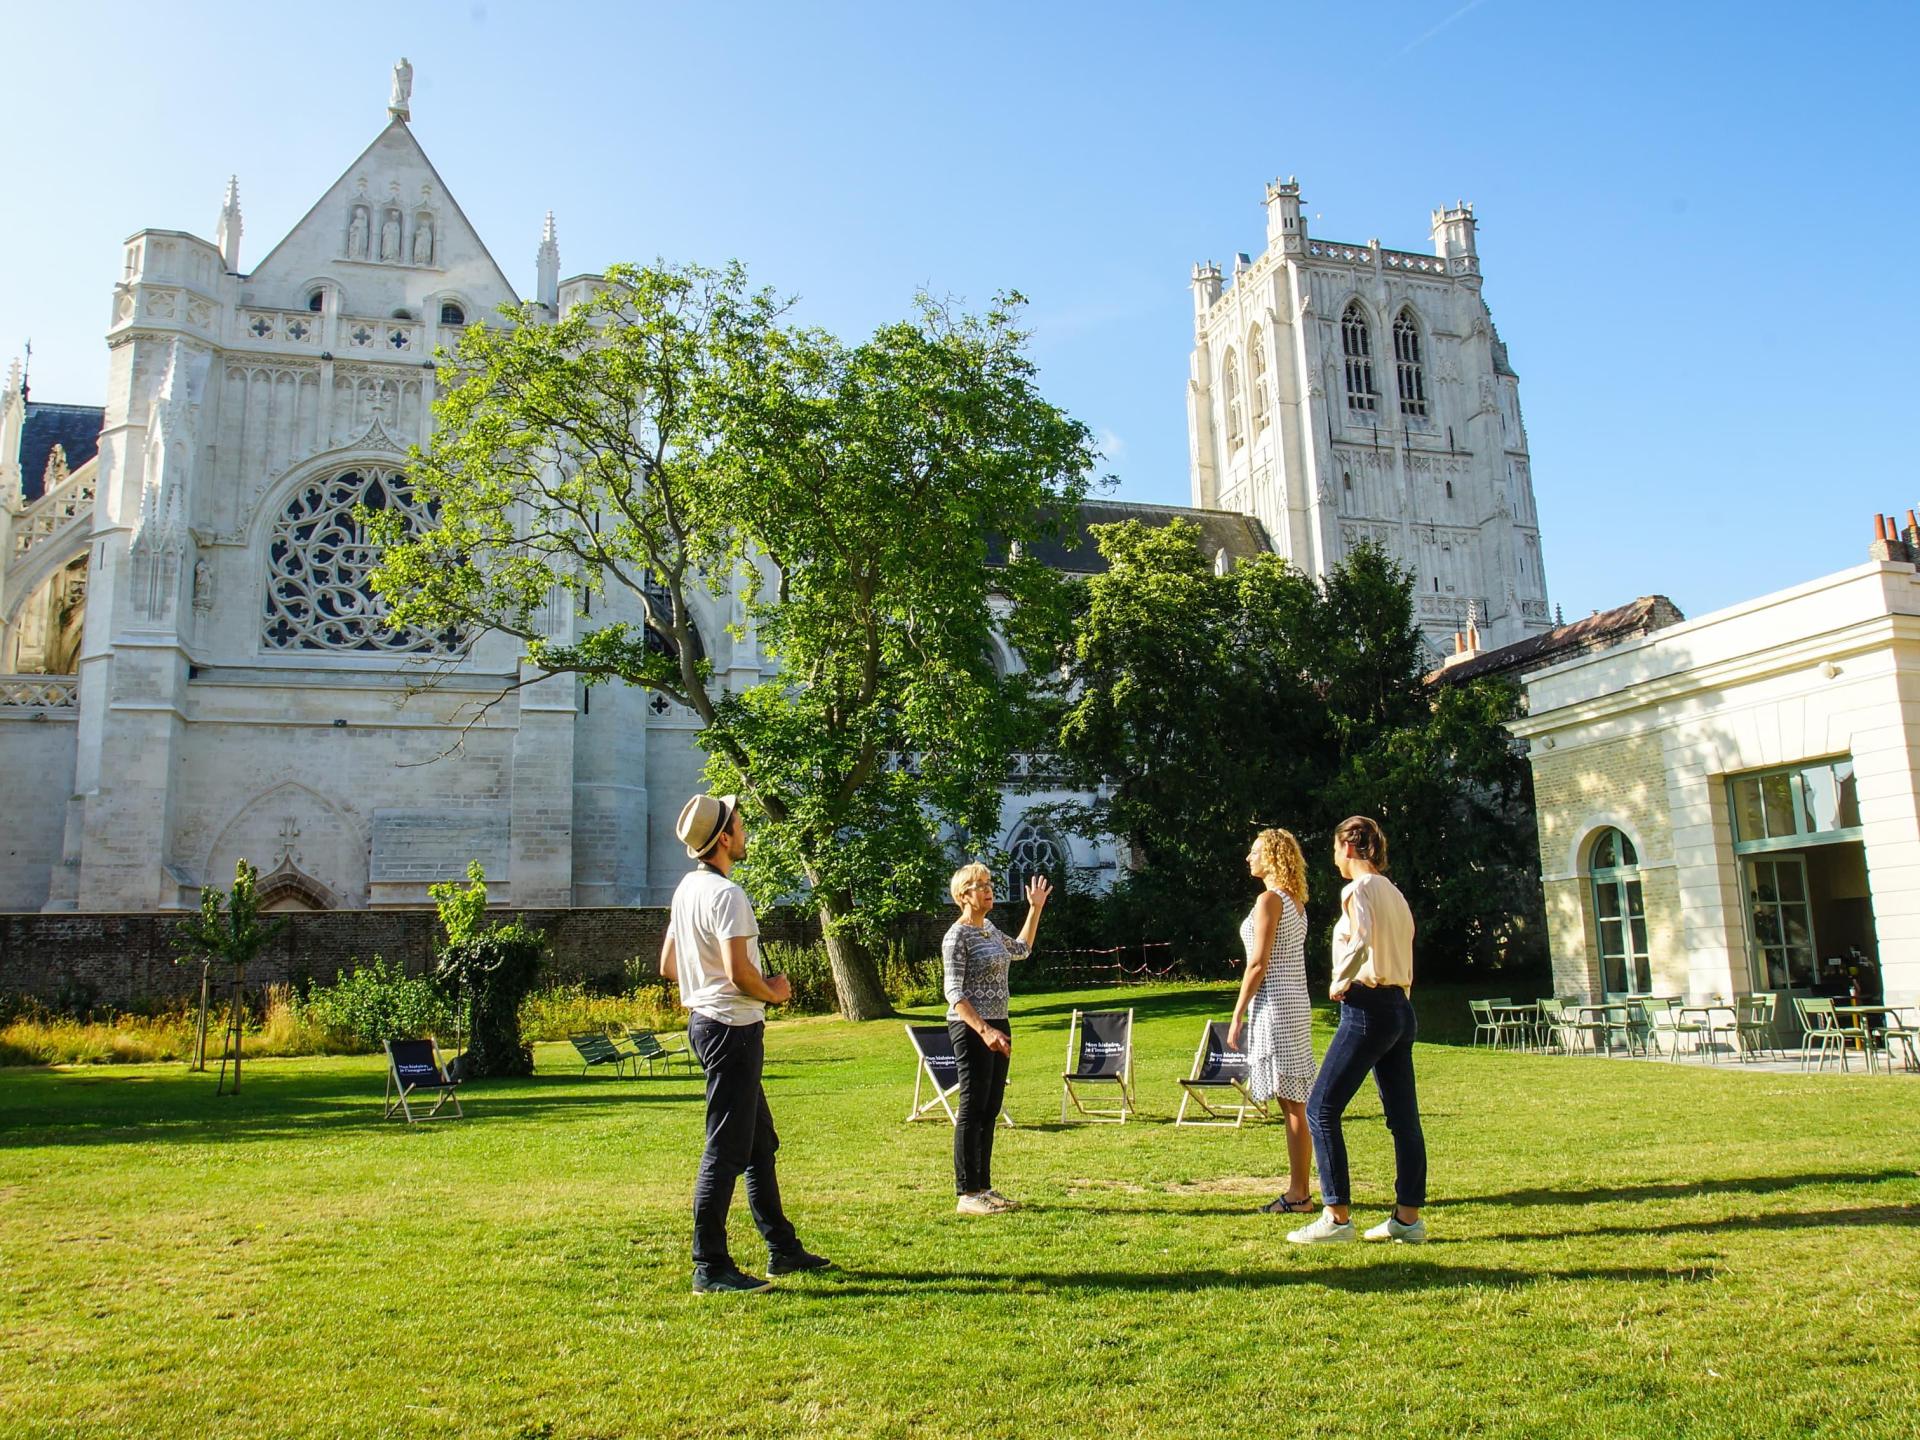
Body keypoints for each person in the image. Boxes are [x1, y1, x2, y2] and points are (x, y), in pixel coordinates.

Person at [659, 792, 831, 1293]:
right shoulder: (727, 896)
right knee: (725, 1150)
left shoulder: (686, 891)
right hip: (732, 1030)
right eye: (739, 822)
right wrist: (774, 992)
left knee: (759, 1144)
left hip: (707, 1025)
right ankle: (709, 1267)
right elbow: (740, 975)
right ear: (724, 839)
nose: (745, 827)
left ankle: (783, 1249)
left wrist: (703, 980)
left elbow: (668, 966)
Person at [1288, 815, 1428, 1246]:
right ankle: (1408, 1219)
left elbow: (1362, 939)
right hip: (1400, 1007)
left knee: (1320, 1108)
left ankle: (1336, 1216)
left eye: (1334, 849)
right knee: (1403, 1117)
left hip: (1368, 1005)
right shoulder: (1395, 894)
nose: (1334, 859)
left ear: (1348, 848)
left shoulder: (1359, 889)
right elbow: (1403, 946)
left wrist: (1339, 979)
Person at [942, 862, 1051, 1214]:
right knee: (972, 1107)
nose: (988, 889)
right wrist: (984, 1030)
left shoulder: (987, 928)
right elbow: (954, 992)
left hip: (998, 1022)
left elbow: (1021, 949)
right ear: (963, 895)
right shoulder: (956, 936)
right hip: (972, 1027)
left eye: (988, 883)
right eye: (979, 885)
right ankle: (966, 1194)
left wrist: (1034, 909)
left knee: (990, 1108)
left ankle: (984, 1188)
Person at [1225, 828, 1316, 1215]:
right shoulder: (1295, 901)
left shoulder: (1269, 900)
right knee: (1294, 1100)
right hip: (1294, 1002)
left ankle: (1299, 1193)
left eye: (1255, 851)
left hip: (1277, 1003)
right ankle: (1301, 1189)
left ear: (1273, 857)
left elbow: (1258, 963)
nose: (1249, 857)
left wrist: (1237, 1013)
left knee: (1293, 1102)